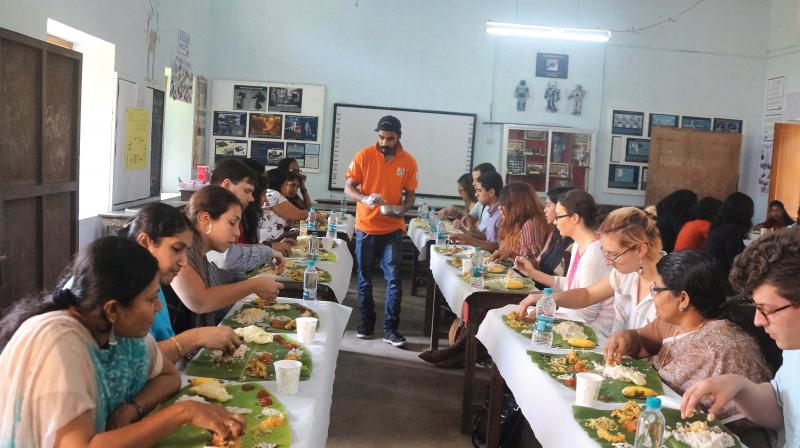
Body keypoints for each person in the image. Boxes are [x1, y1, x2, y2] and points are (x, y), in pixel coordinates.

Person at [0, 237, 245, 447]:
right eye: (150, 300)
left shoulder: (113, 329)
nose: (158, 307)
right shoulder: (59, 342)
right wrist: (184, 411)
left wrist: (133, 408)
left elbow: (169, 377)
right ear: (113, 308)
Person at [605, 250, 774, 446]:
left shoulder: (721, 347)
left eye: (656, 290)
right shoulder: (675, 322)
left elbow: (744, 427)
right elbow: (642, 340)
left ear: (683, 299)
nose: (653, 297)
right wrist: (626, 337)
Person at [681, 229, 800, 447]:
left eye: (767, 309)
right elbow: (784, 408)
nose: (758, 321)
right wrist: (740, 387)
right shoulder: (794, 347)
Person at [517, 207, 664, 332]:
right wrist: (548, 298)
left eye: (613, 255)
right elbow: (587, 294)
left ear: (640, 250)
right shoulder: (626, 273)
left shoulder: (671, 284)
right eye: (605, 253)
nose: (607, 262)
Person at [128, 203, 241, 363]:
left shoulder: (154, 284)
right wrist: (195, 337)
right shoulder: (126, 291)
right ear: (146, 242)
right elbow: (136, 361)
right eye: (176, 248)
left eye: (186, 251)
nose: (183, 262)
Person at [344, 115, 418, 347]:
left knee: (394, 279)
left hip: (393, 228)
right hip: (365, 227)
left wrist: (403, 208)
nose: (385, 142)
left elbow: (411, 193)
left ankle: (390, 329)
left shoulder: (408, 161)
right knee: (364, 280)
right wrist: (364, 198)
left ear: (398, 137)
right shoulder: (364, 155)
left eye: (390, 138)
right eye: (381, 137)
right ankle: (366, 324)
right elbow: (348, 187)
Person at [170, 185, 283, 331]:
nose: (237, 233)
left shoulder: (201, 252)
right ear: (205, 220)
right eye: (232, 223)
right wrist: (254, 285)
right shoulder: (182, 250)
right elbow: (200, 301)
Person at [514, 190, 614, 336]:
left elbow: (587, 311)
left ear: (574, 218)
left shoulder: (594, 252)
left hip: (592, 332)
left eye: (559, 216)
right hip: (574, 322)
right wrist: (532, 273)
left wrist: (549, 313)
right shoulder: (579, 246)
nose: (555, 221)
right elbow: (571, 285)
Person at [207, 158, 288, 276]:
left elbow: (235, 259)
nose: (252, 198)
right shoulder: (212, 213)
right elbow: (228, 258)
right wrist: (267, 252)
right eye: (247, 191)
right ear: (227, 185)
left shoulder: (231, 213)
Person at [490, 182, 550, 261]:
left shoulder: (531, 223)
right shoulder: (514, 221)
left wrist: (511, 254)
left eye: (504, 204)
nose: (500, 208)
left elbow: (533, 260)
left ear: (517, 205)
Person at [450, 171, 503, 253]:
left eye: (479, 190)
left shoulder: (501, 214)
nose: (476, 195)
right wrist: (466, 231)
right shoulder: (491, 211)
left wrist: (469, 240)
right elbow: (487, 239)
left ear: (491, 192)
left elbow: (497, 246)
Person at [706, 192, 754, 275]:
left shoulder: (719, 225)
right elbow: (734, 259)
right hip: (722, 275)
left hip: (712, 270)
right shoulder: (732, 230)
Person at [534, 186, 574, 282]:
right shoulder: (556, 233)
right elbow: (538, 262)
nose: (544, 210)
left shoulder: (575, 243)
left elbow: (565, 283)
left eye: (548, 205)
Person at [260, 168, 309, 243]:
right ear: (279, 184)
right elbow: (297, 214)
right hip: (268, 243)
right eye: (286, 184)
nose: (286, 188)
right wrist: (313, 215)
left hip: (274, 240)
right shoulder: (273, 194)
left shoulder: (271, 194)